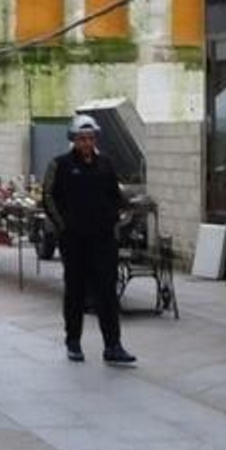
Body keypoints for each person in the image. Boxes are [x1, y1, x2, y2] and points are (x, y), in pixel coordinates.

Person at [44, 115, 136, 366]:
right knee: (75, 291)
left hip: (103, 239)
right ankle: (73, 341)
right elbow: (48, 197)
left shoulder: (105, 164)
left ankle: (113, 345)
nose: (86, 143)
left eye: (90, 138)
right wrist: (63, 227)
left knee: (107, 292)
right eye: (82, 138)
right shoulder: (60, 165)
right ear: (73, 139)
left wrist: (117, 217)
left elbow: (115, 195)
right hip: (74, 241)